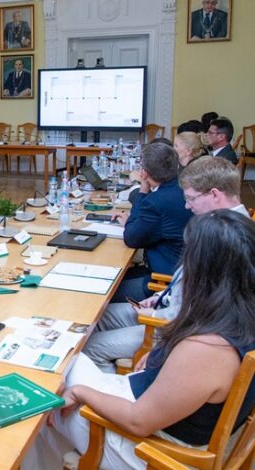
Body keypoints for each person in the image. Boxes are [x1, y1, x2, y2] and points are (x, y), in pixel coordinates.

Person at [25, 210, 255, 470]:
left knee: (41, 403)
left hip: (151, 450)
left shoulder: (208, 349)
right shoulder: (236, 316)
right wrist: (162, 355)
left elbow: (138, 421)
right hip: (156, 411)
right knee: (64, 365)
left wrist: (80, 392)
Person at [83, 156, 248, 373]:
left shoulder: (227, 238)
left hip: (173, 329)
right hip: (166, 307)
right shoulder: (226, 226)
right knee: (94, 318)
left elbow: (203, 313)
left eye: (191, 198)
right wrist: (160, 298)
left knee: (90, 347)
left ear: (214, 194)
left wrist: (156, 315)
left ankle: (113, 396)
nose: (187, 206)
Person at [111, 143, 193, 302]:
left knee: (104, 290)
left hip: (163, 282)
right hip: (181, 271)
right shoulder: (182, 188)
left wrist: (143, 189)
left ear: (145, 173)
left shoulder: (156, 202)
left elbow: (131, 238)